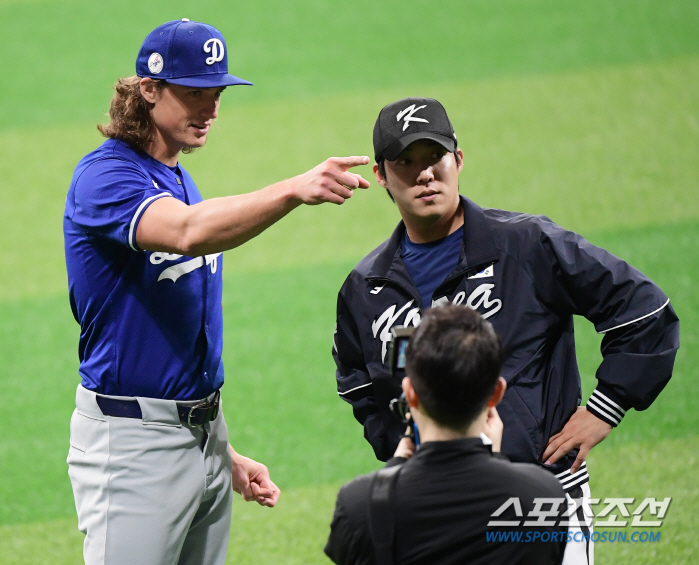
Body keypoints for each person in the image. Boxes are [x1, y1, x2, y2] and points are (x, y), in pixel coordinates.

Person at [64, 19, 370, 565]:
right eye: (193, 93)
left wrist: (221, 452)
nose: (209, 108)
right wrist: (294, 189)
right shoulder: (105, 177)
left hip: (201, 437)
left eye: (216, 92)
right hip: (132, 447)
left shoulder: (176, 176)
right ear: (148, 90)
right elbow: (187, 232)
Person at [332, 97, 680, 564]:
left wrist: (606, 407)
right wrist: (397, 446)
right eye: (405, 162)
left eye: (434, 157)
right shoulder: (367, 287)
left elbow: (643, 309)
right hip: (429, 503)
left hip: (537, 501)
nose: (424, 174)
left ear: (457, 160)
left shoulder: (526, 245)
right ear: (381, 175)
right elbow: (359, 381)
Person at [326, 306, 567, 565]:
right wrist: (495, 459)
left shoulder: (359, 506)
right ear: (496, 393)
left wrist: (393, 469)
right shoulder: (543, 496)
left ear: (410, 394)